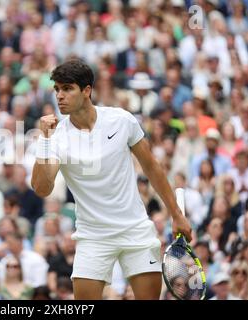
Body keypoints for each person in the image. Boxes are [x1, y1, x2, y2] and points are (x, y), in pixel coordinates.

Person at [31, 59, 192, 300]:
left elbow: (152, 168)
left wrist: (176, 214)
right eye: (57, 90)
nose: (59, 96)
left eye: (67, 88)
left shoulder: (121, 120)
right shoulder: (57, 138)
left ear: (87, 91)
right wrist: (44, 140)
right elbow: (42, 188)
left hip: (135, 229)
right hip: (92, 236)